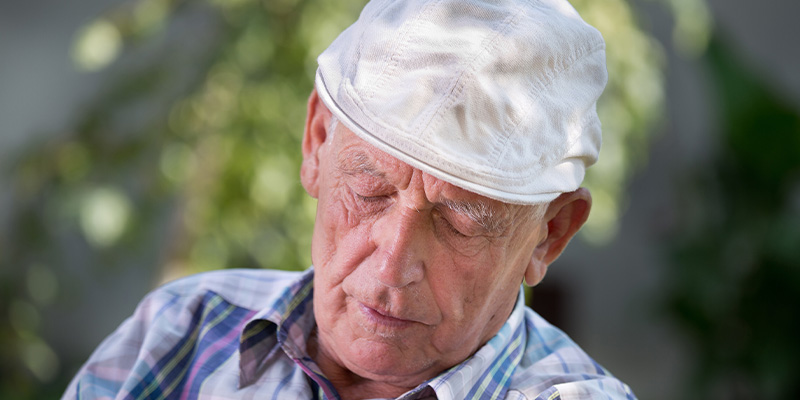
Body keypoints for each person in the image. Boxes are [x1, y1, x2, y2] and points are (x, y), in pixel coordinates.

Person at [64, 0, 636, 399]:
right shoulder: (181, 335)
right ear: (316, 143)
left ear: (551, 233)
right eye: (370, 191)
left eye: (461, 221)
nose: (391, 266)